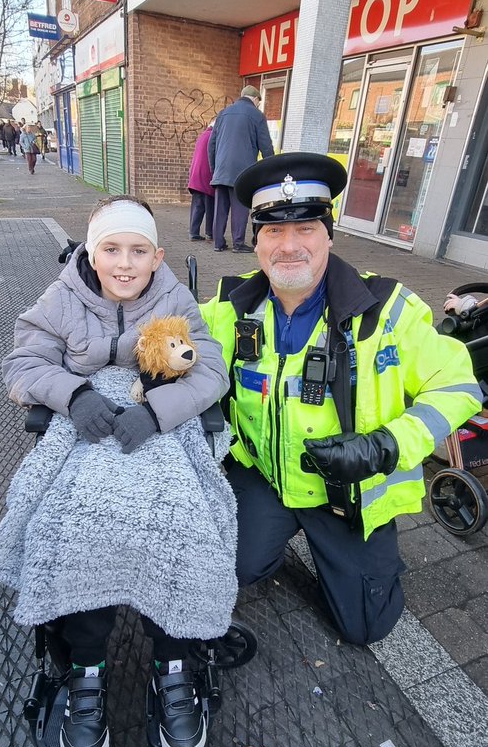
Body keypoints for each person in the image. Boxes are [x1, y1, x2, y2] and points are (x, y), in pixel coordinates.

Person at [201, 152, 483, 646]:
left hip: (345, 498)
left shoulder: (387, 310)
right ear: (256, 240)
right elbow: (160, 338)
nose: (289, 246)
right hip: (266, 479)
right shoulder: (228, 306)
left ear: (329, 234)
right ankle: (273, 532)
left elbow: (459, 384)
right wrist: (106, 274)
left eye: (306, 228)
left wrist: (386, 446)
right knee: (231, 570)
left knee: (366, 627)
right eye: (272, 231)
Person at [0, 198, 230, 747]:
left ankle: (173, 662)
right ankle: (86, 668)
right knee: (71, 526)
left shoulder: (175, 298)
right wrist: (73, 395)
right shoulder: (60, 300)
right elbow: (23, 366)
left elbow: (210, 370)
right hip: (85, 428)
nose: (123, 264)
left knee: (183, 522)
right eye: (110, 249)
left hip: (157, 422)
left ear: (158, 257)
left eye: (137, 251)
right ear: (90, 251)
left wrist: (156, 412)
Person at [208, 85, 274, 254]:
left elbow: (211, 145)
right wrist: (271, 172)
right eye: (258, 101)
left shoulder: (223, 113)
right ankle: (238, 243)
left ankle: (218, 243)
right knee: (240, 209)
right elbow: (266, 147)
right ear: (255, 99)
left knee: (220, 209)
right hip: (242, 172)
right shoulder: (257, 115)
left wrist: (215, 169)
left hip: (221, 170)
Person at [188, 122, 215, 242]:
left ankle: (194, 232)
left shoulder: (202, 135)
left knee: (197, 206)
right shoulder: (213, 137)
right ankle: (209, 232)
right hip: (206, 175)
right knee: (210, 206)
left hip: (195, 176)